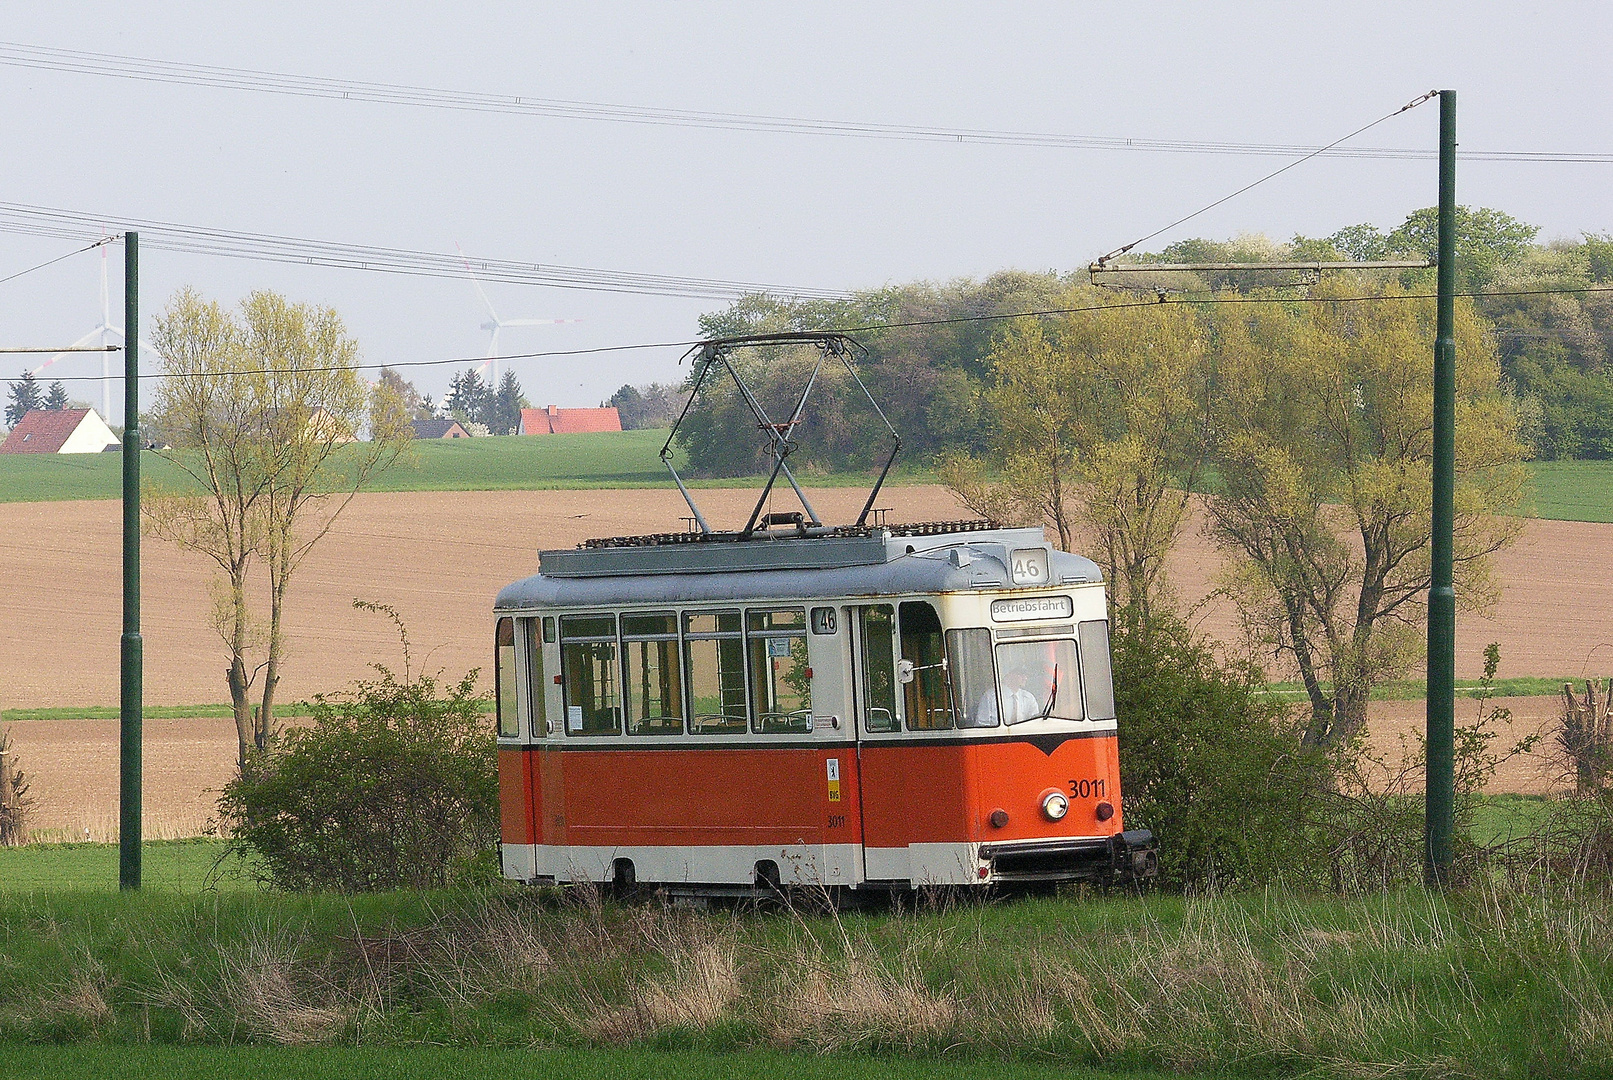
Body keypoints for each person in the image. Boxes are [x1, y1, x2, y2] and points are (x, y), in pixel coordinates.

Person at [976, 665, 1041, 725]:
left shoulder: (1029, 698)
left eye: (1026, 675)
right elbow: (982, 724)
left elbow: (1035, 723)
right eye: (1020, 675)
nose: (1025, 678)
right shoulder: (991, 696)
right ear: (1009, 675)